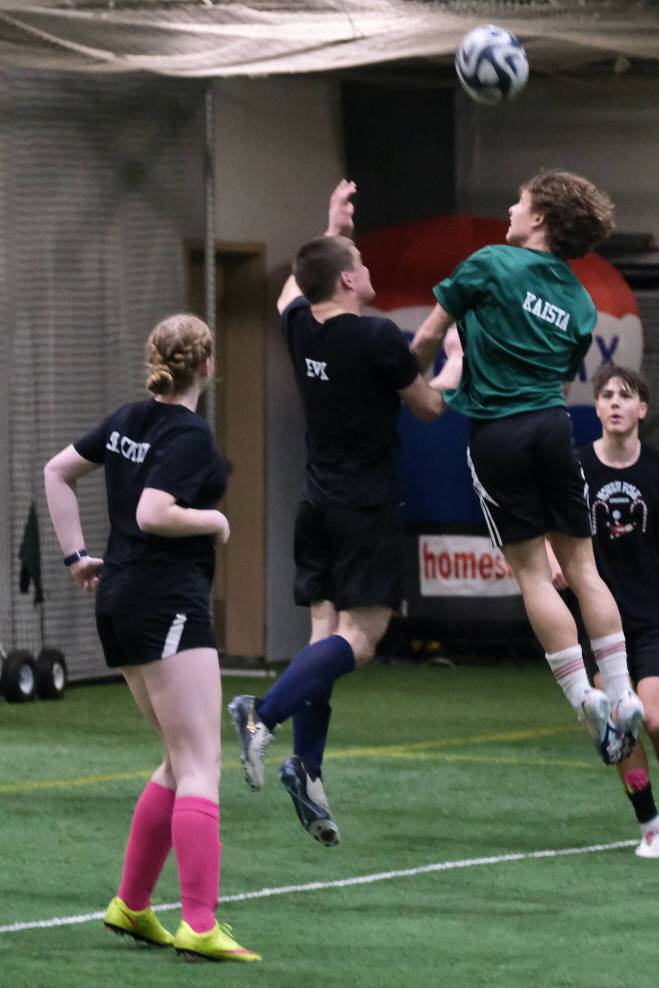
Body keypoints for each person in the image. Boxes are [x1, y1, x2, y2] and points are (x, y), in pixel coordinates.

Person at [228, 180, 460, 846]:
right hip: (365, 508)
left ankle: (307, 768)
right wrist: (454, 368)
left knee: (321, 639)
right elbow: (429, 408)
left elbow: (291, 288)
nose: (367, 267)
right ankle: (261, 714)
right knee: (361, 640)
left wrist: (331, 225)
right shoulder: (379, 339)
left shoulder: (299, 325)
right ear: (350, 279)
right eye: (356, 260)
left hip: (317, 505)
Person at [43, 314, 259, 962]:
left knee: (175, 758)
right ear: (208, 367)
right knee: (200, 764)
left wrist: (75, 556)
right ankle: (199, 923)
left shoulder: (125, 420)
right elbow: (153, 513)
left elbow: (57, 471)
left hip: (120, 599)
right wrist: (216, 521)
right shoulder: (189, 434)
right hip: (165, 601)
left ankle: (133, 907)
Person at [409, 169, 644, 765]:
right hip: (553, 427)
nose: (509, 210)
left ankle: (583, 697)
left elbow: (427, 338)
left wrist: (402, 377)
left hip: (498, 435)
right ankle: (622, 692)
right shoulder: (581, 302)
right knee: (584, 568)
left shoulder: (487, 263)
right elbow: (562, 376)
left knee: (533, 576)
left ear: (538, 218)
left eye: (518, 201)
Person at [549, 363, 659, 858]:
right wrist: (548, 561)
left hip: (651, 625)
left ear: (642, 408)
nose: (615, 403)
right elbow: (543, 527)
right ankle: (650, 825)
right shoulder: (576, 467)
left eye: (625, 395)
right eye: (606, 395)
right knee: (619, 728)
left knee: (658, 722)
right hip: (600, 627)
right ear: (597, 407)